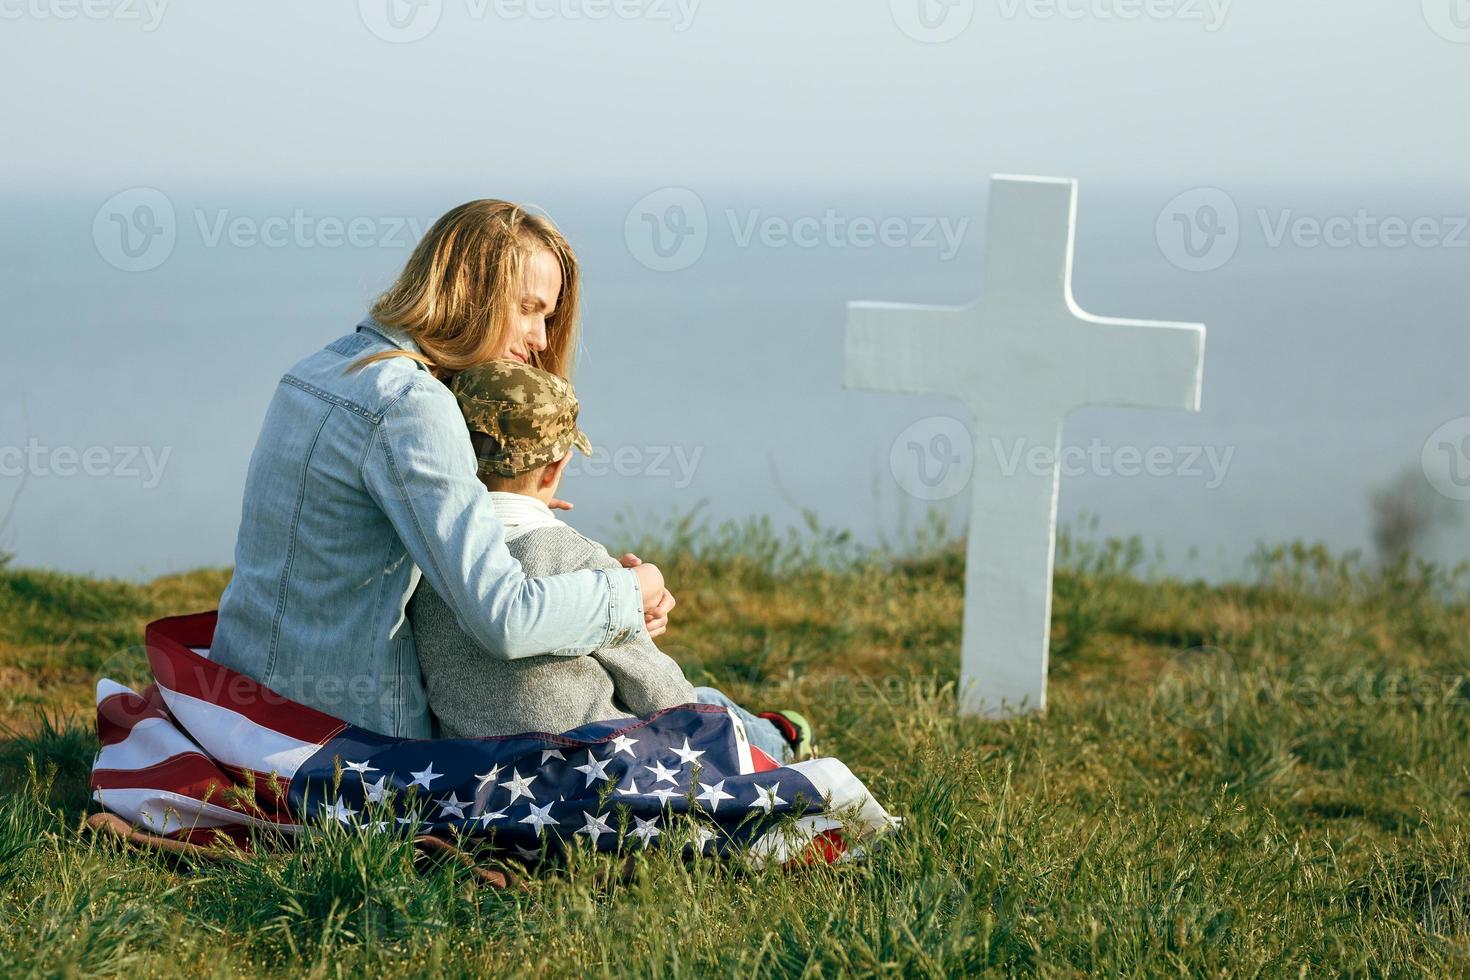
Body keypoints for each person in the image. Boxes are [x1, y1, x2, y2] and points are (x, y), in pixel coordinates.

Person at [209, 201, 674, 739]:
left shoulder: (318, 369)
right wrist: (627, 592)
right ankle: (771, 733)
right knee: (663, 706)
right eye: (527, 308)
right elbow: (506, 620)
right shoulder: (412, 405)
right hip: (347, 736)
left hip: (243, 694)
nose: (541, 339)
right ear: (470, 292)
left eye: (546, 316)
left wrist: (513, 510)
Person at [408, 359, 813, 763]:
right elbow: (659, 692)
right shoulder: (576, 557)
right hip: (590, 768)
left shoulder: (424, 560)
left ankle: (774, 730)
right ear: (555, 469)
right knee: (707, 702)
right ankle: (782, 738)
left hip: (482, 774)